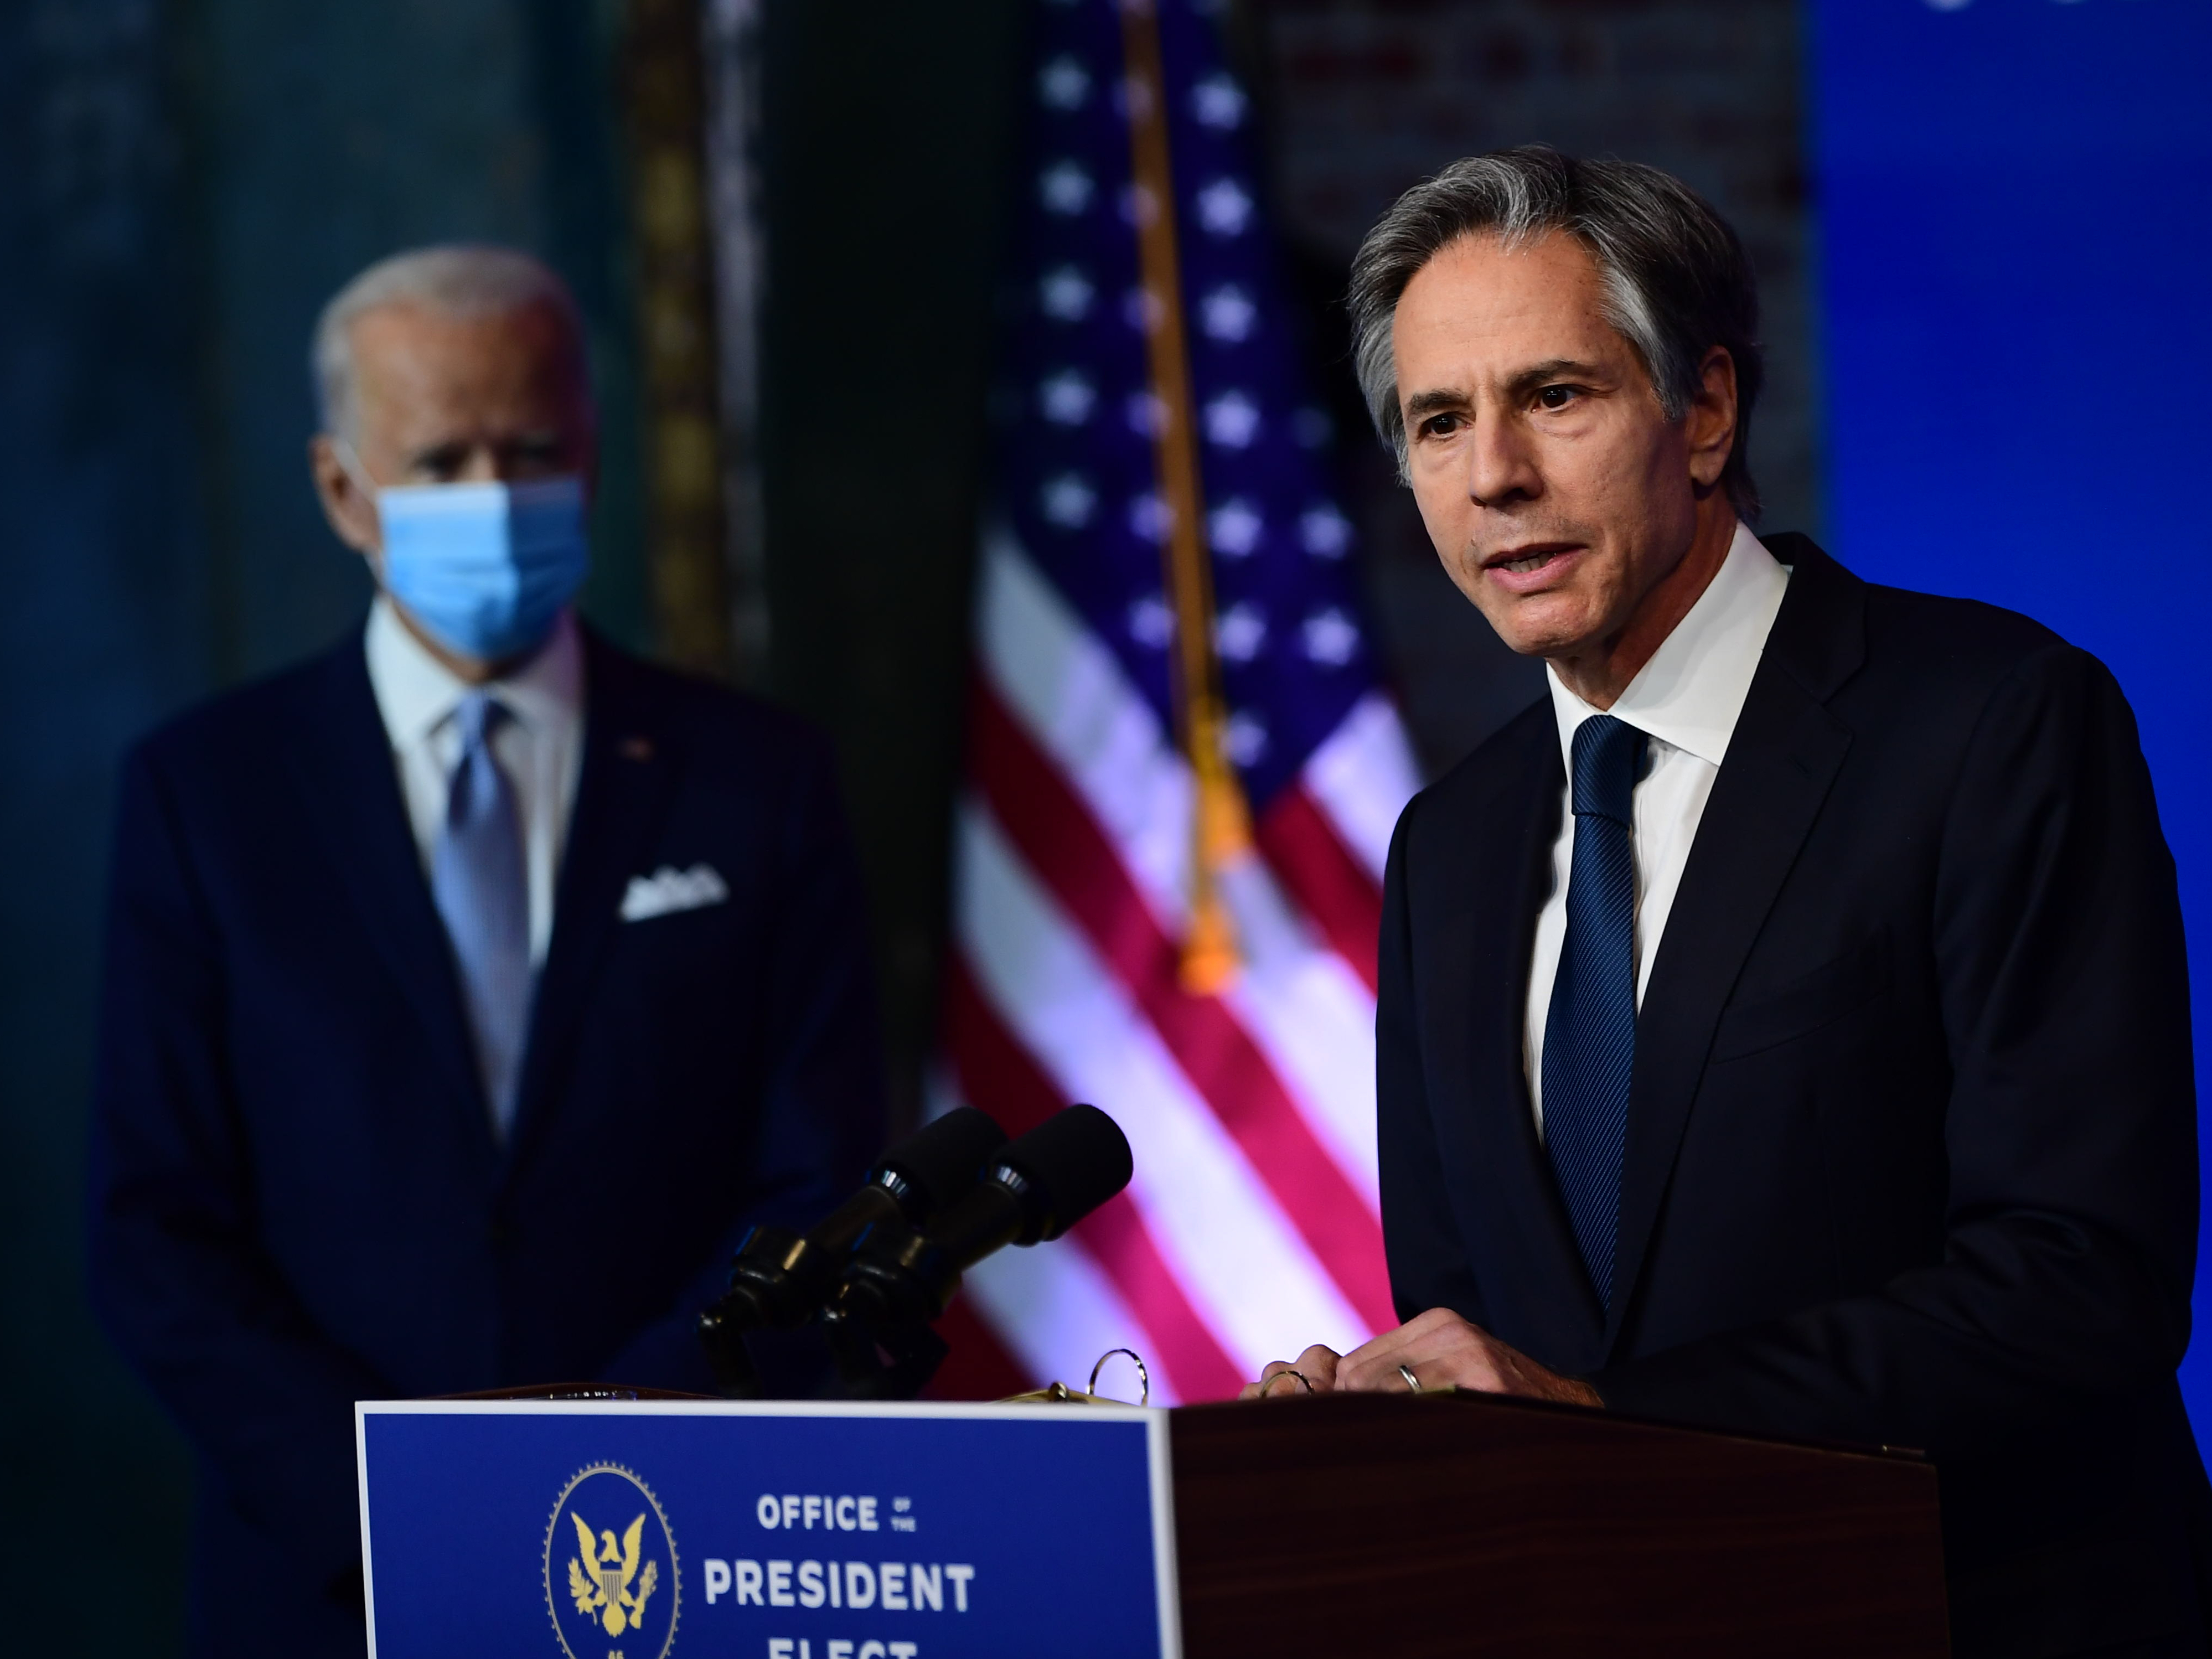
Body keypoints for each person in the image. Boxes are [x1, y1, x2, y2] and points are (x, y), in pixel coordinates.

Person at [1245, 149, 2207, 1656]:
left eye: (1552, 395)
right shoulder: (1448, 845)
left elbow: (2077, 1283)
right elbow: (1474, 1319)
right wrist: (1396, 1414)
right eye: (1438, 421)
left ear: (1701, 412)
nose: (1493, 472)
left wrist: (1605, 1415)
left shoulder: (1989, 723)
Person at [88, 246, 884, 1658]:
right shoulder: (205, 796)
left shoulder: (755, 781)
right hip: (326, 1588)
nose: (490, 497)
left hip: (686, 1555)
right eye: (438, 457)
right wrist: (392, 1498)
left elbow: (817, 1174)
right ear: (343, 489)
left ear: (592, 455)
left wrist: (622, 1447)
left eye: (529, 451)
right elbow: (156, 1227)